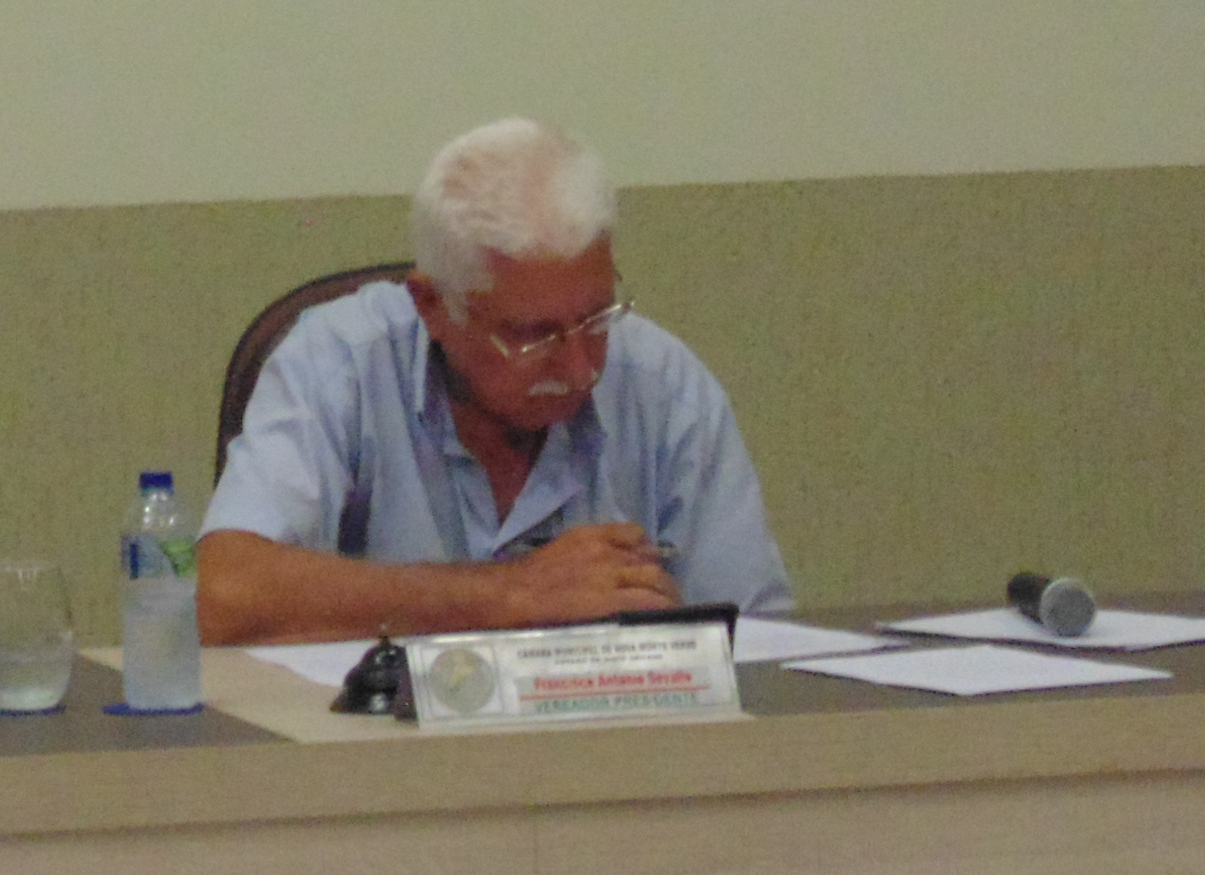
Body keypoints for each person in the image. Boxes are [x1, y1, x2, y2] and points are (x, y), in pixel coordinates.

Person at [198, 120, 794, 644]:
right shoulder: (338, 364)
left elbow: (762, 642)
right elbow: (221, 595)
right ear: (433, 306)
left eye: (596, 320)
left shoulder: (663, 386)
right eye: (534, 336)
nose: (580, 368)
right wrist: (509, 594)